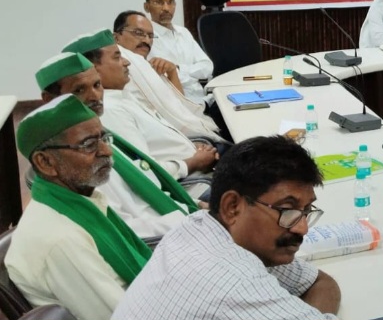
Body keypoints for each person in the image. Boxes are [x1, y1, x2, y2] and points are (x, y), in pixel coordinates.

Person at [112, 135, 341, 319]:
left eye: (306, 210)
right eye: (286, 210)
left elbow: (320, 283)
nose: (302, 228)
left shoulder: (199, 226)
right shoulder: (233, 283)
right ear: (232, 207)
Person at [6, 95, 151, 320]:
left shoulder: (80, 200)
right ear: (46, 162)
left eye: (104, 138)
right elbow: (123, 316)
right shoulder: (60, 241)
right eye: (89, 145)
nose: (107, 151)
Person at [36, 52, 199, 239]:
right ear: (49, 99)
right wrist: (195, 219)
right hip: (163, 239)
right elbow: (122, 228)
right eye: (79, 90)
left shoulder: (99, 135)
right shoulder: (71, 156)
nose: (94, 96)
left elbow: (146, 189)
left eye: (97, 85)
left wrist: (195, 207)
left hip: (174, 216)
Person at [63, 29, 217, 198]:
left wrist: (192, 148)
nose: (126, 62)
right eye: (117, 57)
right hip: (191, 187)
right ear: (93, 70)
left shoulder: (123, 96)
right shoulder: (110, 111)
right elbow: (145, 173)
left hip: (199, 167)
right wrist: (193, 162)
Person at [113, 10, 228, 143]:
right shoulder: (123, 66)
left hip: (196, 116)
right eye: (138, 33)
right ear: (116, 37)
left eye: (150, 36)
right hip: (188, 136)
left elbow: (178, 105)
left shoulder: (148, 64)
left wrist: (173, 72)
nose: (146, 40)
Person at [142, 0, 215, 104]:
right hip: (176, 104)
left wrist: (178, 69)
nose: (166, 8)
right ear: (146, 7)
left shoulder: (183, 32)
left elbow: (208, 67)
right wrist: (193, 74)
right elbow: (163, 78)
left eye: (170, 2)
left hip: (204, 99)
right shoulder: (145, 38)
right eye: (159, 2)